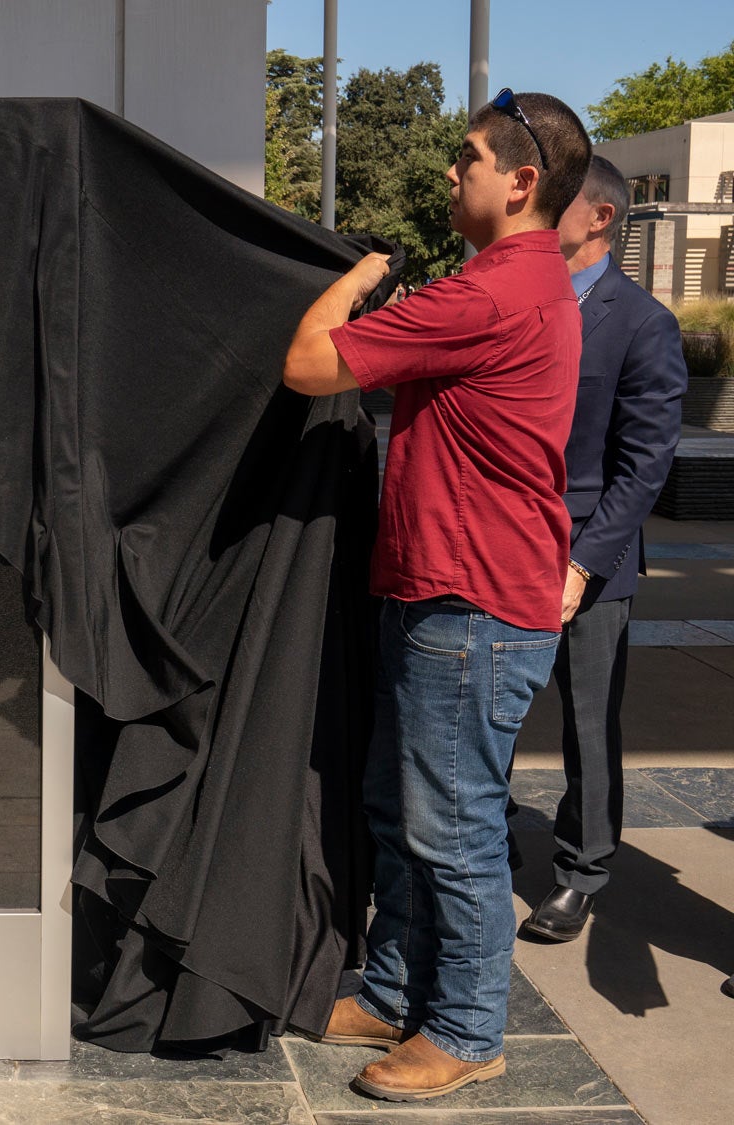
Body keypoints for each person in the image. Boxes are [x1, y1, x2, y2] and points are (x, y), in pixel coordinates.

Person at [282, 90, 591, 1101]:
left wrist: (355, 276)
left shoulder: (492, 294)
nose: (448, 173)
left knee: (449, 826)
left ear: (521, 180)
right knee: (400, 810)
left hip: (469, 606)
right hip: (442, 595)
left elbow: (306, 365)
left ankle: (462, 1029)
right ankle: (396, 987)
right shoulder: (508, 284)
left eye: (465, 158)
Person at [516, 155, 687, 945]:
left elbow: (644, 462)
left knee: (587, 723)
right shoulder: (522, 300)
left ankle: (581, 871)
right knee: (490, 710)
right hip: (506, 545)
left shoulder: (642, 322)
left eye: (556, 204)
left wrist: (583, 565)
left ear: (599, 218)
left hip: (593, 558)